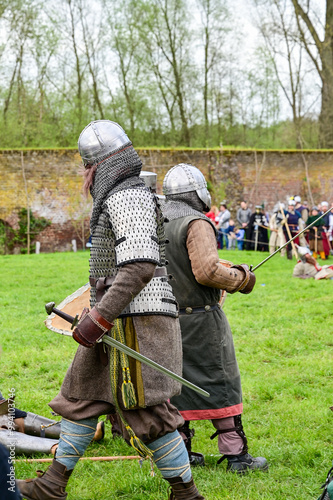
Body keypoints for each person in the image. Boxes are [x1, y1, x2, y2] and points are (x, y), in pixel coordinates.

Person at [17, 121, 204, 500]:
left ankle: (186, 493)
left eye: (87, 168)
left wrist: (99, 318)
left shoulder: (128, 196)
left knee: (147, 412)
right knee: (80, 398)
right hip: (119, 321)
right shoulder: (123, 194)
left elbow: (139, 266)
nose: (85, 177)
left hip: (138, 323)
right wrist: (101, 315)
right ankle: (52, 485)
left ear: (98, 165)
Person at [162, 163, 268, 474]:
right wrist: (240, 278)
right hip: (202, 320)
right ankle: (236, 456)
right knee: (221, 381)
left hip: (167, 319)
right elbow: (206, 271)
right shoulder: (196, 222)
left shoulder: (157, 220)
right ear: (197, 193)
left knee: (177, 386)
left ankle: (182, 453)